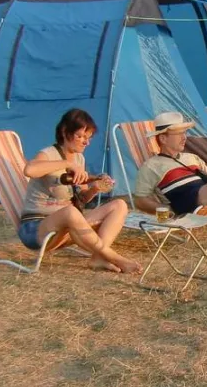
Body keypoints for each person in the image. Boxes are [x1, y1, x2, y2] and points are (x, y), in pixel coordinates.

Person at [21, 109, 142, 274]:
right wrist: (67, 164)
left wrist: (94, 188)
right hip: (37, 228)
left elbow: (82, 198)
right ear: (65, 132)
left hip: (67, 226)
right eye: (80, 136)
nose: (86, 142)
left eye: (89, 137)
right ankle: (113, 257)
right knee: (70, 212)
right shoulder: (48, 154)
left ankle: (98, 258)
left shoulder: (79, 158)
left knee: (119, 205)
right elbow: (29, 170)